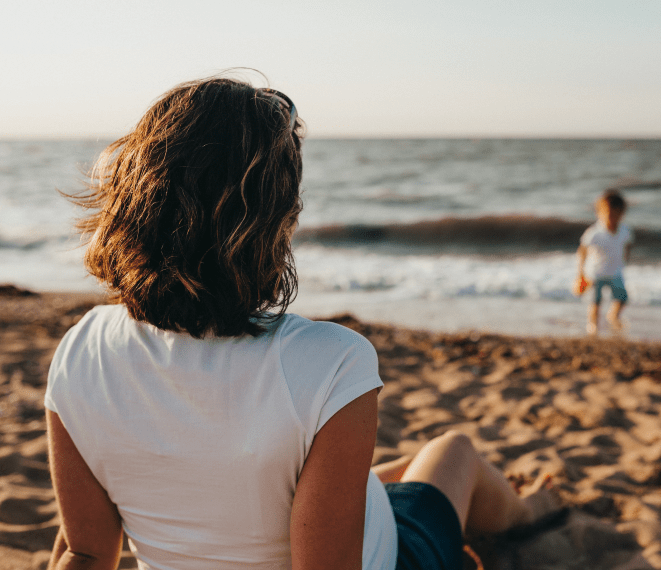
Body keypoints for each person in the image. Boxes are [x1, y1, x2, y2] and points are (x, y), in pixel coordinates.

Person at [45, 75, 562, 570]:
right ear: (278, 218)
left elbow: (85, 554)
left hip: (277, 513)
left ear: (134, 200)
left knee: (391, 474)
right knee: (454, 452)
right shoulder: (332, 362)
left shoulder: (81, 349)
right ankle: (532, 516)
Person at [576, 189, 633, 335]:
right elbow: (582, 251)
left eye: (615, 215)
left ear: (621, 214)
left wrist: (625, 259)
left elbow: (627, 245)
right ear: (599, 213)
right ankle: (593, 325)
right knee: (596, 302)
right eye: (608, 214)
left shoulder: (625, 230)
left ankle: (613, 316)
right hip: (596, 273)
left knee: (622, 298)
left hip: (615, 272)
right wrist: (580, 274)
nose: (611, 218)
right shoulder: (595, 233)